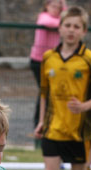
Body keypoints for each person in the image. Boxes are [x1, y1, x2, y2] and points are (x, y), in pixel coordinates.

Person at [34, 5, 91, 170]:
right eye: (68, 25)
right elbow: (44, 93)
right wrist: (40, 121)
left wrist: (84, 106)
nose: (71, 30)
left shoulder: (88, 59)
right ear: (60, 27)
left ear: (84, 31)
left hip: (79, 130)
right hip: (53, 127)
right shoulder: (49, 58)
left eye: (76, 26)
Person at [29, 0, 67, 128]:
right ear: (46, 6)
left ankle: (46, 121)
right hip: (39, 61)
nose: (56, 9)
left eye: (58, 7)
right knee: (45, 91)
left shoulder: (60, 19)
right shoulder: (43, 17)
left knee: (49, 91)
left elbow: (66, 15)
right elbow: (49, 23)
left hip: (52, 62)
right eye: (53, 6)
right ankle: (39, 123)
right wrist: (63, 24)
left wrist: (63, 3)